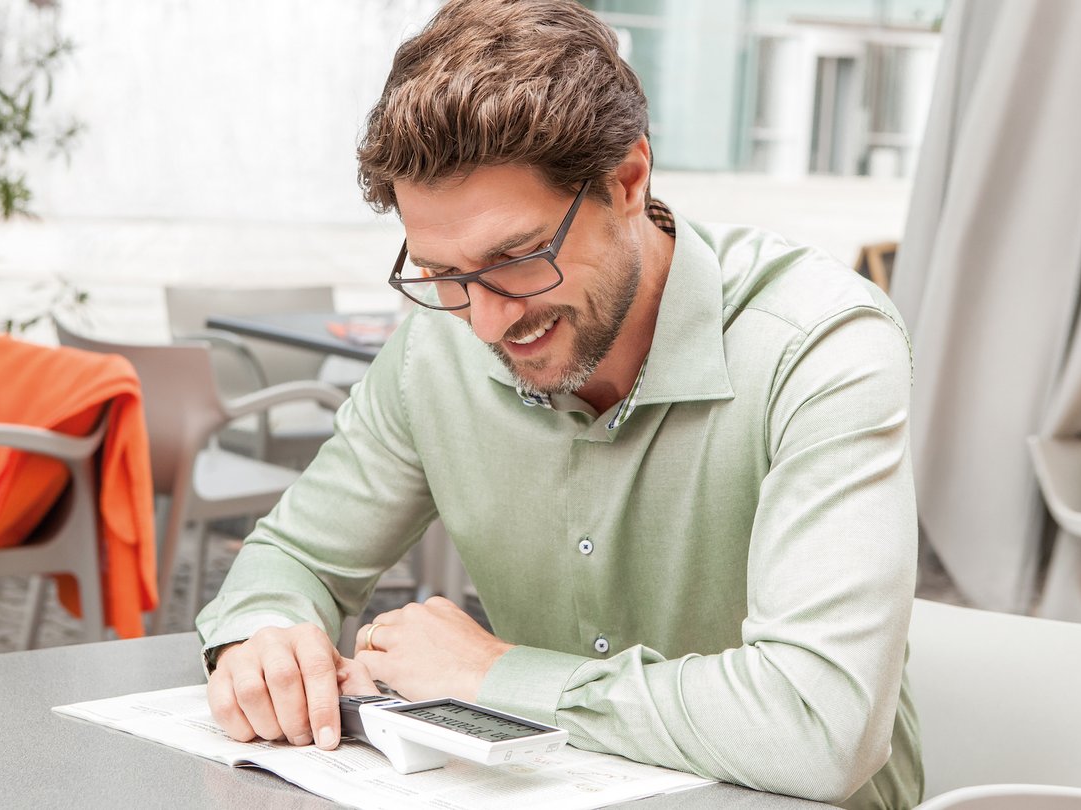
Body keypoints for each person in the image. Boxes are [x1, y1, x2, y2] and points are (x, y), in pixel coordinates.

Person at [196, 1, 921, 806]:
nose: (485, 317)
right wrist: (263, 638)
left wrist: (493, 674)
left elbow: (820, 726)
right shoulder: (434, 352)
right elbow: (292, 558)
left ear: (628, 182)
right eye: (442, 273)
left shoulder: (819, 346)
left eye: (515, 257)